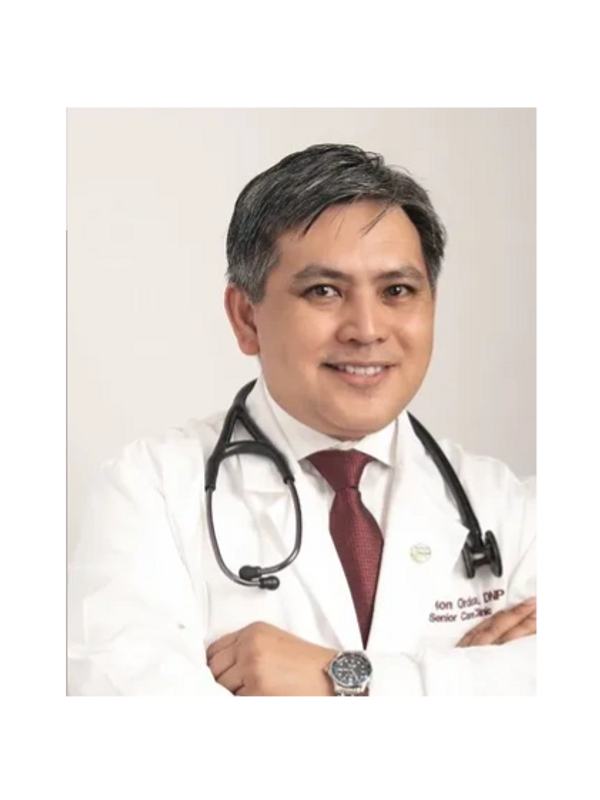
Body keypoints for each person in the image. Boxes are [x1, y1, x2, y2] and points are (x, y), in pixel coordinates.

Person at [67, 143, 539, 699]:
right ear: (247, 318)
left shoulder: (505, 505)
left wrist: (346, 681)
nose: (366, 328)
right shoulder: (150, 492)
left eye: (397, 291)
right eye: (324, 291)